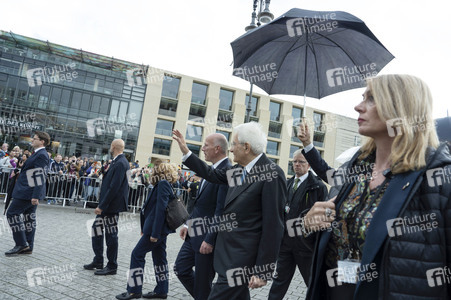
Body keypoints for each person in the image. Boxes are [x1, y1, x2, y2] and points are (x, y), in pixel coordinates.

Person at [298, 74, 451, 299]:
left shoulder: (437, 177)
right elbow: (328, 242)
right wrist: (309, 224)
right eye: (363, 97)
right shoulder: (354, 169)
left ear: (401, 108)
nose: (358, 106)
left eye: (371, 99)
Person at [172, 122, 287, 300]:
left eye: (233, 144)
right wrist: (186, 152)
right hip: (226, 254)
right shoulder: (238, 170)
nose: (231, 150)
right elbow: (211, 174)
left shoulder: (272, 173)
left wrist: (263, 270)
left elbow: (274, 226)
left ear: (246, 147)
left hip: (242, 260)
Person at [174, 133, 231, 300]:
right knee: (180, 268)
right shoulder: (210, 169)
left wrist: (210, 239)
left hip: (207, 239)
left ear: (217, 148)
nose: (203, 148)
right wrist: (187, 224)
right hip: (193, 234)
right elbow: (200, 204)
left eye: (206, 145)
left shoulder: (227, 171)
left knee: (202, 282)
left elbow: (221, 211)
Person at [268, 150, 327, 299]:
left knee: (312, 282)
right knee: (279, 281)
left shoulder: (318, 187)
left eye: (301, 162)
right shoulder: (287, 184)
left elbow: (322, 216)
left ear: (309, 165)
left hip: (306, 246)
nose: (297, 165)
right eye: (294, 161)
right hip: (286, 244)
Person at [116, 163, 178, 300]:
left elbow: (160, 210)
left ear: (159, 172)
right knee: (160, 259)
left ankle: (134, 291)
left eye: (153, 169)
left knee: (137, 254)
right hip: (158, 229)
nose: (150, 171)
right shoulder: (161, 184)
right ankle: (161, 290)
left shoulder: (162, 184)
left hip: (157, 230)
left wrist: (154, 233)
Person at [83, 139, 129, 276]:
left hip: (111, 206)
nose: (109, 147)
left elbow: (114, 187)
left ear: (113, 146)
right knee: (96, 230)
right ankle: (98, 260)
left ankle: (112, 265)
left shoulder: (121, 162)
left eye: (110, 145)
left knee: (111, 236)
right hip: (108, 205)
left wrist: (102, 206)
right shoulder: (116, 161)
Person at [5, 131, 50, 255]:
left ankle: (21, 243)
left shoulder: (41, 155)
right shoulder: (37, 153)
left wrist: (35, 195)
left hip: (28, 192)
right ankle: (28, 246)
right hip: (28, 191)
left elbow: (39, 175)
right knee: (29, 218)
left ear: (42, 141)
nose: (32, 140)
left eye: (34, 139)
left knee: (12, 213)